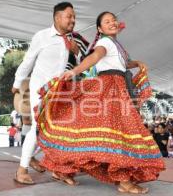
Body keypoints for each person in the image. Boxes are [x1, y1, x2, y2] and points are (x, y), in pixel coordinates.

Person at [36, 11, 165, 194]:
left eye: (113, 20)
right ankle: (123, 181)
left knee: (99, 135)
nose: (112, 23)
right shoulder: (104, 42)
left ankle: (61, 170)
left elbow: (122, 64)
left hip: (117, 88)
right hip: (109, 90)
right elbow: (95, 57)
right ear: (100, 28)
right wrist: (74, 71)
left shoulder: (115, 44)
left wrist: (137, 62)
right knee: (121, 134)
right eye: (107, 21)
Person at [12, 2, 89, 184]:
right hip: (40, 90)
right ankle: (21, 170)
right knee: (38, 128)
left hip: (60, 92)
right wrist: (17, 82)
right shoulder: (42, 36)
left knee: (59, 130)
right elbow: (28, 61)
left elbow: (83, 61)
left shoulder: (72, 39)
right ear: (57, 17)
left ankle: (56, 168)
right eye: (69, 16)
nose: (73, 20)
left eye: (74, 16)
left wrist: (76, 50)